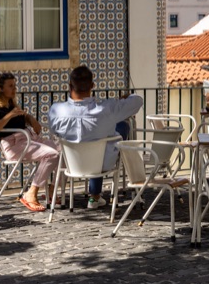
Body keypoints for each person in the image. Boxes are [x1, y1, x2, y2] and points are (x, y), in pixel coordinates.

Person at [48, 66, 143, 209]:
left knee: (98, 136)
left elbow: (54, 130)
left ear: (69, 86)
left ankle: (94, 196)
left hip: (71, 163)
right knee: (121, 126)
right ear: (92, 86)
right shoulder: (107, 109)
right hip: (102, 164)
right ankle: (95, 196)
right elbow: (138, 101)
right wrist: (125, 99)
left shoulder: (56, 110)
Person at [0, 73, 59, 212]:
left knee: (65, 150)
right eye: (11, 86)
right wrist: (9, 116)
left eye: (15, 85)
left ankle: (52, 191)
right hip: (14, 145)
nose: (15, 89)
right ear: (0, 89)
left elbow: (22, 115)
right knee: (52, 154)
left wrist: (31, 119)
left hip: (29, 139)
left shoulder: (10, 103)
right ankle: (31, 193)